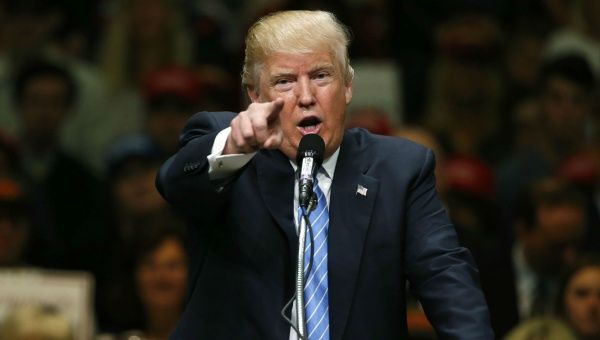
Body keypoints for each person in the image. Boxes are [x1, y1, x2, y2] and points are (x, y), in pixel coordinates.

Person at [156, 10, 493, 339]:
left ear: (347, 86)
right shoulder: (226, 142)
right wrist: (234, 147)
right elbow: (176, 186)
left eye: (321, 76)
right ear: (255, 96)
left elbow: (445, 275)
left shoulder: (399, 170)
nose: (306, 97)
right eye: (284, 81)